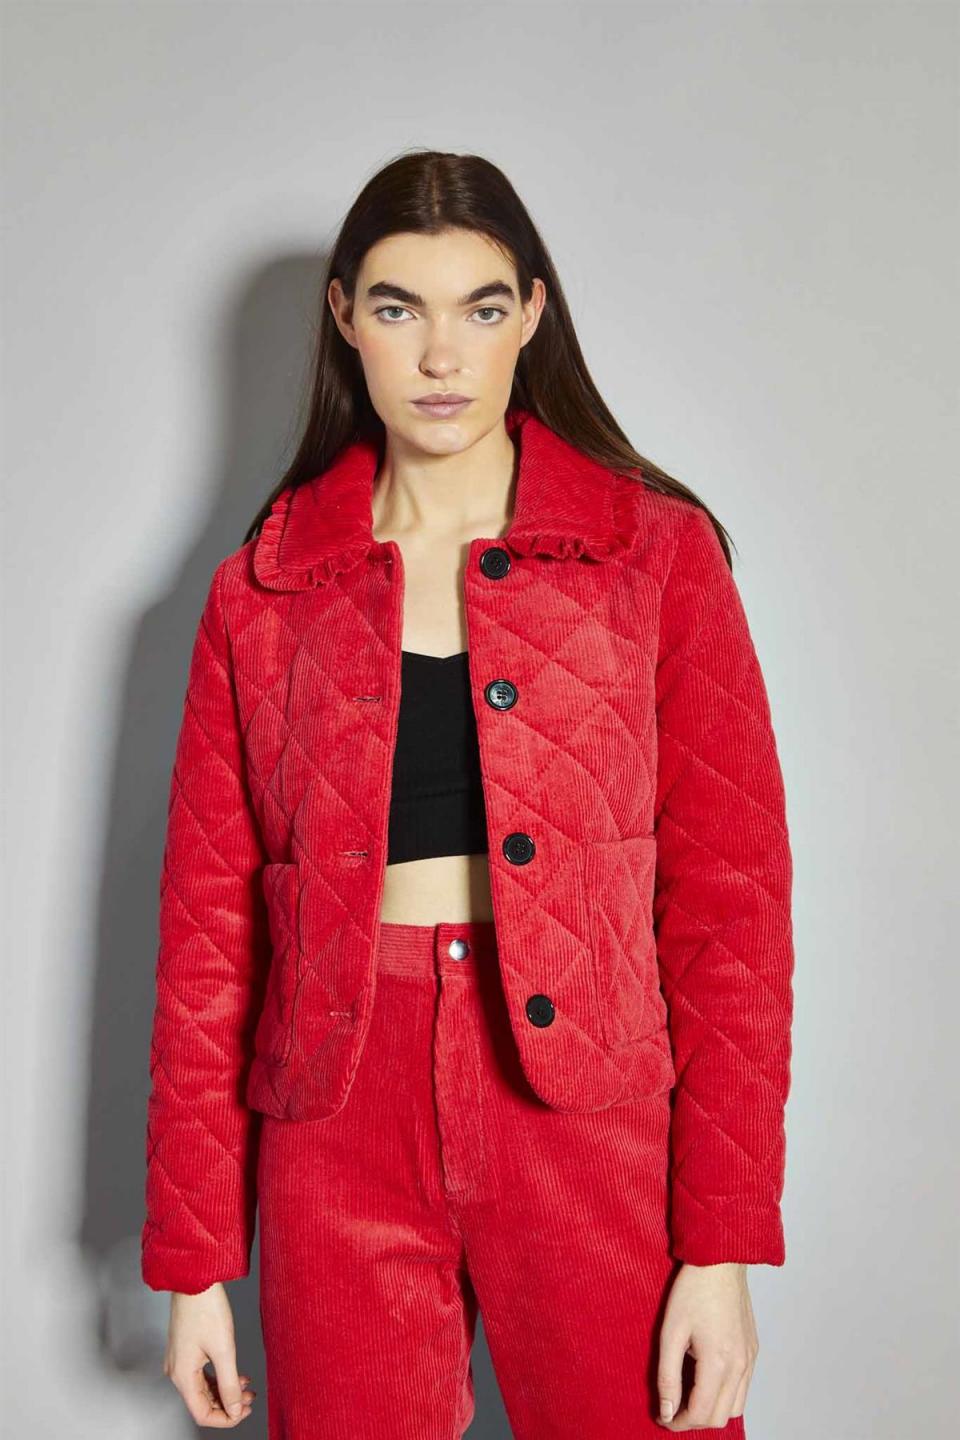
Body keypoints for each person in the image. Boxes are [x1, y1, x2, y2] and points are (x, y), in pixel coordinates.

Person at [140, 149, 795, 1438]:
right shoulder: (263, 591)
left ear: (532, 315)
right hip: (338, 1121)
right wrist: (195, 1265)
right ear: (345, 316)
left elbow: (733, 913)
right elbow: (208, 940)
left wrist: (721, 1248)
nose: (442, 355)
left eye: (481, 308)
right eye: (400, 308)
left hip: (590, 1109)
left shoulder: (654, 557)